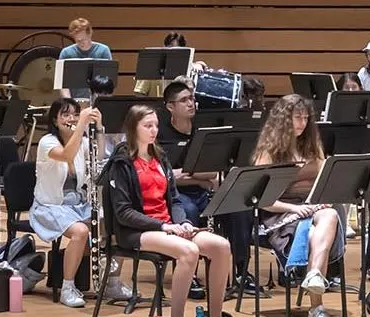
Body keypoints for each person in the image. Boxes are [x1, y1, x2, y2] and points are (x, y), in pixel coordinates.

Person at [104, 104, 234, 317]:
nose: (154, 130)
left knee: (221, 246)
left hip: (168, 226)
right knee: (189, 251)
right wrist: (164, 226)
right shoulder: (122, 163)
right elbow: (124, 213)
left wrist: (184, 223)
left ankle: (215, 314)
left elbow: (174, 200)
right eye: (148, 126)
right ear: (133, 128)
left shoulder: (160, 158)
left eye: (155, 125)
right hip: (136, 231)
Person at [156, 81, 257, 298]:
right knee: (188, 211)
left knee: (240, 208)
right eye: (184, 100)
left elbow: (212, 172)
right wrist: (195, 177)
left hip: (204, 190)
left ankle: (241, 272)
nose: (191, 103)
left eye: (192, 99)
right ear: (170, 107)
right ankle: (188, 273)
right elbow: (162, 177)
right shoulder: (160, 134)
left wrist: (185, 175)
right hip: (175, 195)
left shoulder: (204, 131)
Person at [255, 95, 344, 315]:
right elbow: (263, 200)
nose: (302, 123)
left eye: (305, 118)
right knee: (315, 234)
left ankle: (313, 274)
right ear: (284, 119)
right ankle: (317, 306)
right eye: (297, 117)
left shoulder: (313, 146)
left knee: (330, 214)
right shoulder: (268, 153)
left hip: (313, 207)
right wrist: (295, 209)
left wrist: (324, 198)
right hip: (281, 213)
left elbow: (327, 179)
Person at [34, 97, 103, 307]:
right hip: (50, 206)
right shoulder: (47, 142)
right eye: (65, 114)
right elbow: (66, 155)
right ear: (55, 120)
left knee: (111, 221)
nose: (71, 118)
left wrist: (98, 128)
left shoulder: (81, 142)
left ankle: (111, 281)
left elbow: (98, 156)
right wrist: (81, 123)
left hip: (77, 204)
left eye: (75, 113)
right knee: (81, 232)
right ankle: (67, 287)